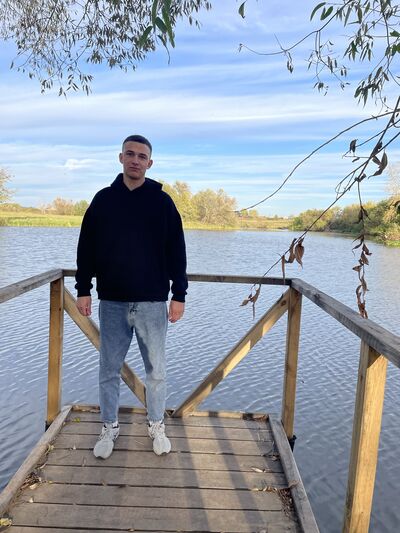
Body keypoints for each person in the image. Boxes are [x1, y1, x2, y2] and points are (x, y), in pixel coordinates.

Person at [75, 134, 187, 459]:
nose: (135, 160)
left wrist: (179, 294)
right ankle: (109, 426)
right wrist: (83, 289)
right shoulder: (103, 200)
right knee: (108, 370)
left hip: (152, 303)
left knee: (156, 371)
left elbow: (177, 251)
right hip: (112, 302)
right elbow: (86, 248)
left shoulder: (162, 203)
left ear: (149, 163)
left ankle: (156, 424)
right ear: (121, 158)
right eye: (130, 154)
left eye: (141, 156)